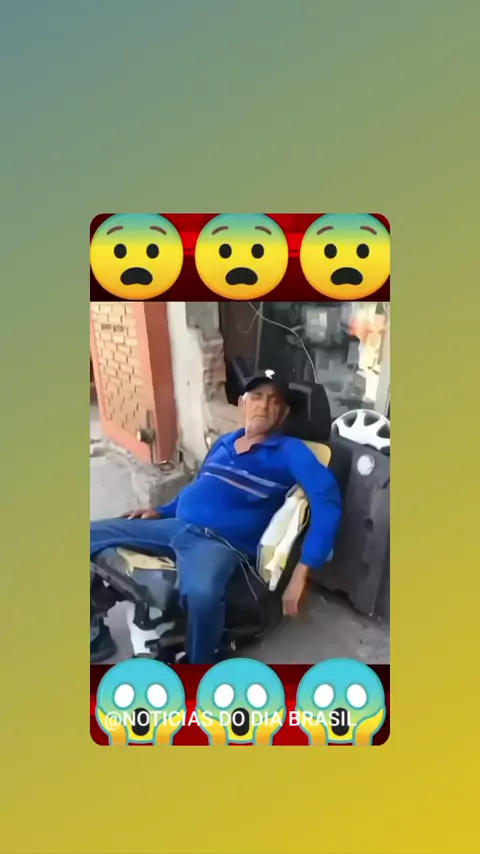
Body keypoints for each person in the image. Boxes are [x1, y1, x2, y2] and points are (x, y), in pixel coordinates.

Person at [90, 370, 342, 664]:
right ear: (243, 403)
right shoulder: (224, 443)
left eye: (274, 401)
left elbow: (327, 502)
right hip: (175, 526)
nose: (264, 405)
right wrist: (162, 510)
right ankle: (95, 634)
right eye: (257, 397)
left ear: (284, 413)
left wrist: (301, 572)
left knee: (202, 593)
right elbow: (201, 488)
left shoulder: (291, 451)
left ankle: (200, 664)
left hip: (217, 543)